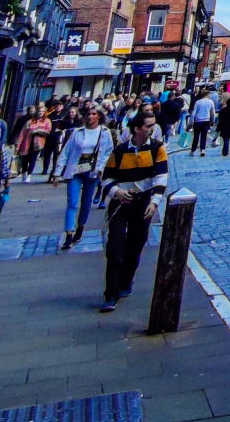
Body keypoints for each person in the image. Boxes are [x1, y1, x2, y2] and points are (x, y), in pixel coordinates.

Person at [98, 112, 169, 311]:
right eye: (148, 126)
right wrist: (117, 192)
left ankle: (126, 281)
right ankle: (110, 295)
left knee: (135, 246)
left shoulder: (157, 148)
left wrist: (154, 202)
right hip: (121, 203)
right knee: (115, 248)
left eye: (153, 125)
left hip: (143, 202)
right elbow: (107, 178)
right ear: (137, 129)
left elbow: (161, 177)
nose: (152, 129)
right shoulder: (120, 151)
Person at [54, 106, 113, 248]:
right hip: (75, 168)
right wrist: (57, 172)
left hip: (92, 170)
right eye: (88, 114)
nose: (90, 116)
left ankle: (81, 226)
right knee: (72, 202)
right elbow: (66, 151)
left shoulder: (105, 132)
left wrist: (101, 168)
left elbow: (108, 152)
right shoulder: (77, 132)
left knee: (86, 202)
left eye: (93, 114)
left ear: (99, 116)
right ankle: (69, 233)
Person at [15, 105, 52, 181]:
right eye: (39, 111)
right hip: (27, 142)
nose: (40, 113)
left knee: (33, 158)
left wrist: (37, 130)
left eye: (42, 111)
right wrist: (18, 145)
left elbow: (48, 131)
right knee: (25, 159)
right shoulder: (30, 121)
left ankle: (29, 174)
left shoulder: (47, 121)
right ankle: (24, 173)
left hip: (37, 144)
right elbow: (22, 133)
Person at [188, 87, 217, 156]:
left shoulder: (198, 102)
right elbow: (212, 113)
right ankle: (202, 150)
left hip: (197, 121)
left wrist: (191, 122)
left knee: (196, 136)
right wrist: (213, 121)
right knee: (204, 135)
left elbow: (193, 113)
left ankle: (193, 150)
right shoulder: (210, 102)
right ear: (207, 95)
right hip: (206, 120)